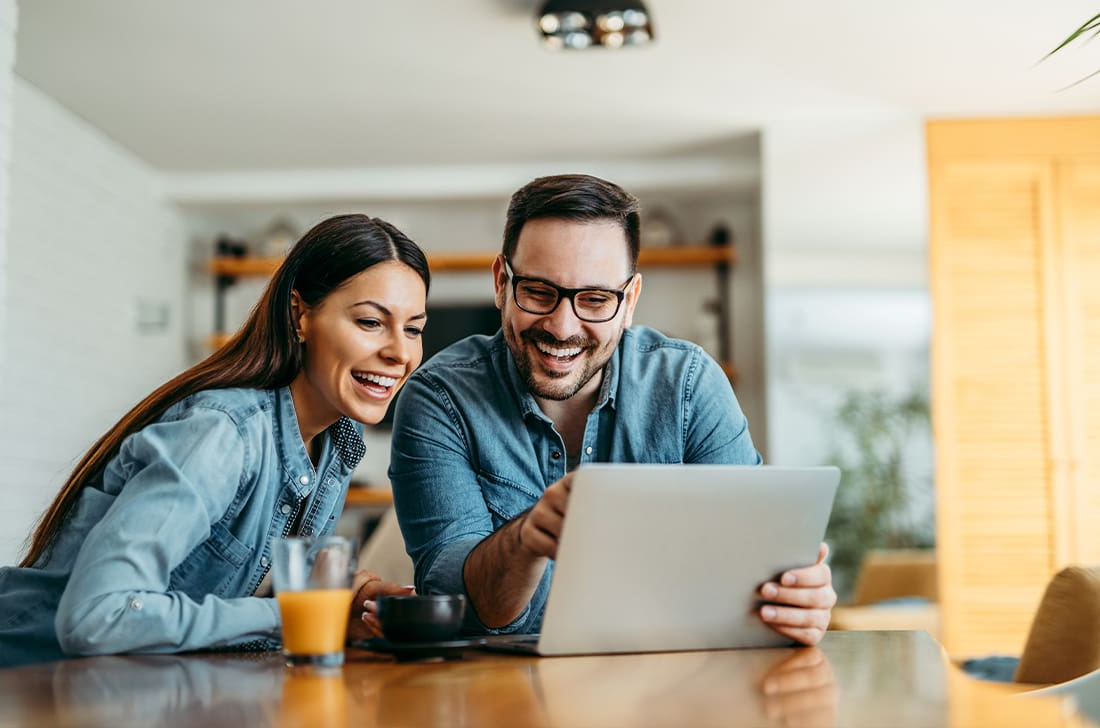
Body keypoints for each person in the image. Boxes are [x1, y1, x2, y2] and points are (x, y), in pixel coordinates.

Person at [390, 174, 837, 646]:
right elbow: (455, 607)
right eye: (539, 292)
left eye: (595, 299)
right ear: (502, 282)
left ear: (630, 301)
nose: (563, 327)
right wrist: (524, 542)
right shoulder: (438, 398)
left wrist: (795, 603)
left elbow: (748, 570)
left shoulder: (689, 385)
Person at [0, 214, 426, 658]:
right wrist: (298, 615)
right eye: (370, 322)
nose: (399, 352)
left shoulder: (336, 440)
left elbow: (262, 588)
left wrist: (354, 600)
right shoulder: (222, 433)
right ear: (300, 315)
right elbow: (96, 617)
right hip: (24, 685)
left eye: (413, 328)